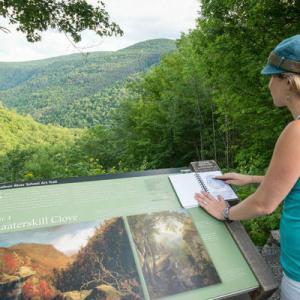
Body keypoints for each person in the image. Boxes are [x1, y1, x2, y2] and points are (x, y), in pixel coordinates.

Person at [194, 35, 300, 300]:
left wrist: (226, 212)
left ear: (288, 82)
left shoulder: (296, 132)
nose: (268, 85)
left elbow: (264, 205)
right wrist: (252, 178)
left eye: (272, 76)